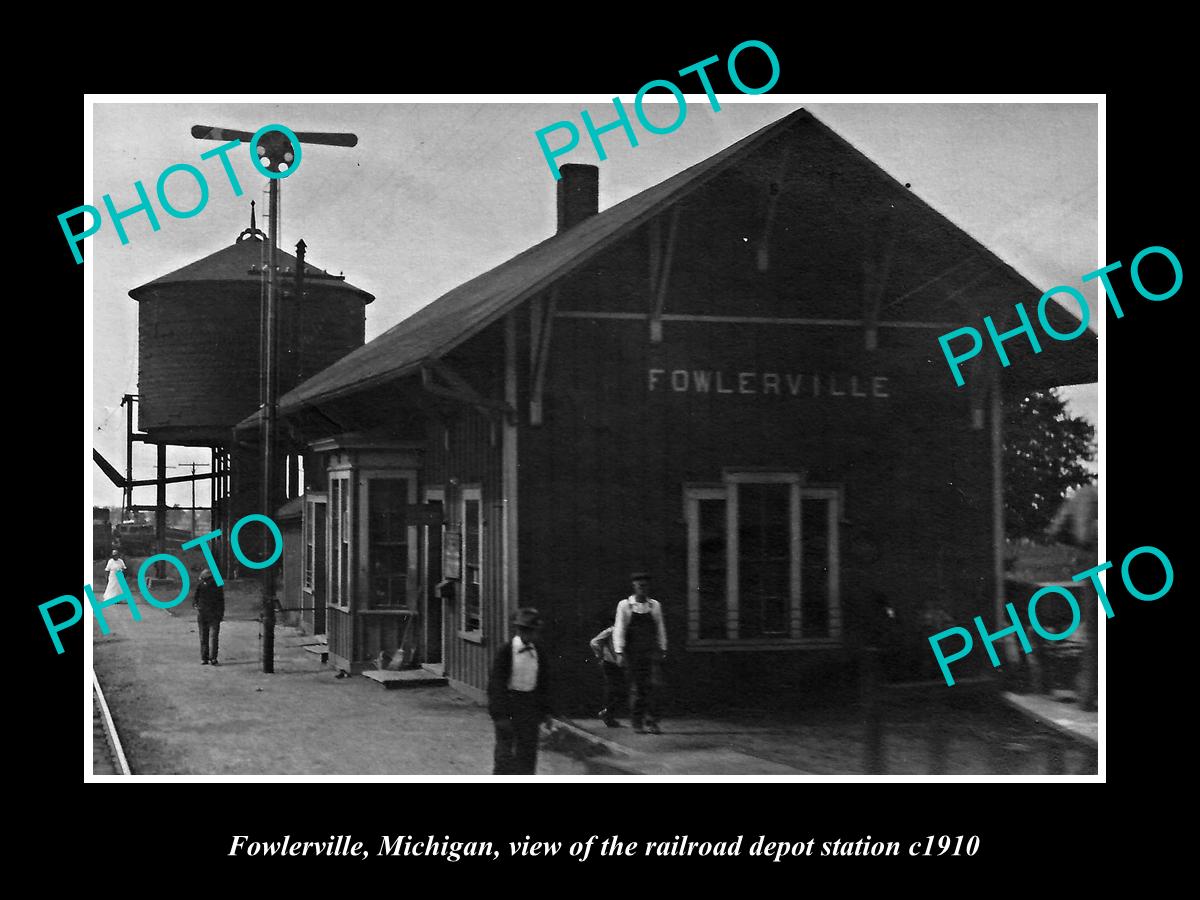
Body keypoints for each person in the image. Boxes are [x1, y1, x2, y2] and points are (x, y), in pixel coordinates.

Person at [488, 607, 554, 774]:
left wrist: (546, 711)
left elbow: (544, 683)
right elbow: (496, 685)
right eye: (526, 631)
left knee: (528, 752)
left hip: (530, 706)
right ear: (518, 630)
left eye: (533, 632)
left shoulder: (538, 651)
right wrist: (500, 715)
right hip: (509, 705)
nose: (530, 635)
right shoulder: (506, 651)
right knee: (505, 753)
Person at [613, 572, 667, 734]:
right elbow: (619, 628)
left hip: (651, 651)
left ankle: (652, 721)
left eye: (645, 585)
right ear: (634, 586)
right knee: (638, 687)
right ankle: (637, 722)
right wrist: (619, 652)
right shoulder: (625, 605)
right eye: (639, 585)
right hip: (633, 652)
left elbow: (660, 627)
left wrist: (663, 647)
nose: (642, 588)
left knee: (654, 686)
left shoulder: (654, 606)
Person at [589, 614, 624, 727]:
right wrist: (600, 654)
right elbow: (594, 642)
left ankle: (607, 712)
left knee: (619, 690)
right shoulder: (611, 630)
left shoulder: (624, 632)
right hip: (609, 663)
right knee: (613, 688)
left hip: (619, 664)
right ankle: (608, 714)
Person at [192, 567, 225, 666]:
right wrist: (221, 614)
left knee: (204, 637)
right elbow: (221, 601)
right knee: (213, 637)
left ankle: (204, 658)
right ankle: (213, 658)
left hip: (203, 614)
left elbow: (195, 599)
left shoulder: (201, 585)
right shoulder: (218, 586)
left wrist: (196, 605)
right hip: (214, 614)